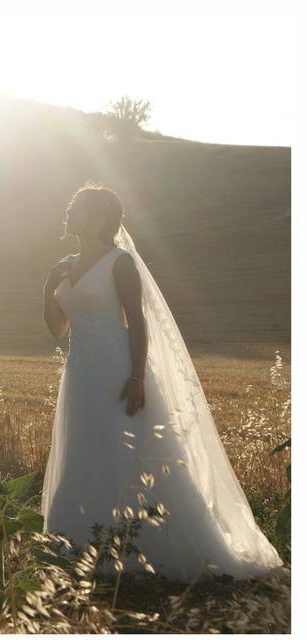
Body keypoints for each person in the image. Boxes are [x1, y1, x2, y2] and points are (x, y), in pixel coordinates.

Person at [41, 183, 285, 581]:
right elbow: (56, 328)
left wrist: (137, 376)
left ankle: (140, 547)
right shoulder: (64, 266)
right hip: (80, 372)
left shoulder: (120, 263)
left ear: (100, 218)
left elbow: (137, 323)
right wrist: (48, 287)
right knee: (84, 451)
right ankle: (82, 543)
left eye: (78, 208)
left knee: (126, 452)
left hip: (117, 369)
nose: (69, 213)